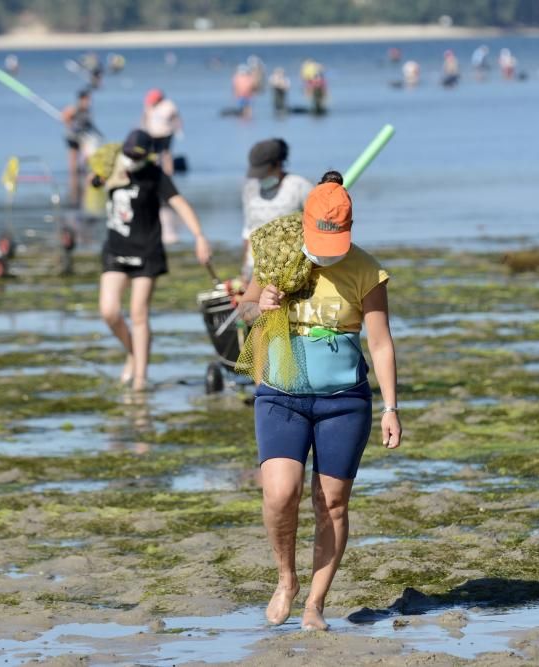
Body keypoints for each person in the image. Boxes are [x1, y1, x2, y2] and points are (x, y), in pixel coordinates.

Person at [238, 171, 402, 631]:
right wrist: (261, 302)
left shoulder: (367, 271)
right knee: (280, 494)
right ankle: (286, 579)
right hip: (280, 394)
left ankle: (315, 603)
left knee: (331, 504)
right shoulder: (278, 256)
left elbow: (382, 343)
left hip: (343, 402)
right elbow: (245, 309)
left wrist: (391, 408)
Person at [97, 130, 212, 391]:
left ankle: (140, 379)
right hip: (115, 249)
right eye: (127, 154)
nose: (130, 159)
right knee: (109, 311)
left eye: (136, 156)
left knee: (139, 312)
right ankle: (134, 352)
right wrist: (100, 174)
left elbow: (179, 203)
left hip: (146, 251)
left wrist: (199, 236)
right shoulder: (112, 166)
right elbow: (93, 180)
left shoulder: (155, 175)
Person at [241, 139, 313, 284]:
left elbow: (314, 226)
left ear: (278, 164)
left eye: (264, 171)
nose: (260, 177)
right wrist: (245, 274)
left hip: (289, 267)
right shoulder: (250, 188)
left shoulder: (299, 186)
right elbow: (248, 231)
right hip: (255, 268)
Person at [62, 89, 99, 207]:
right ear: (81, 99)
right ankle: (73, 183)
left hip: (83, 137)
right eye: (86, 99)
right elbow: (65, 117)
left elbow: (89, 124)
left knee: (86, 158)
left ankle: (84, 179)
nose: (88, 102)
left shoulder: (88, 110)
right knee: (73, 161)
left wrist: (98, 133)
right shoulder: (75, 109)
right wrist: (69, 121)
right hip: (73, 137)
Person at [140, 88, 182, 175]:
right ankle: (154, 172)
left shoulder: (168, 105)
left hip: (166, 133)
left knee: (166, 154)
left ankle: (169, 173)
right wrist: (142, 129)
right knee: (152, 154)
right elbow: (144, 118)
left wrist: (178, 130)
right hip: (152, 134)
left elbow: (176, 118)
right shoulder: (149, 106)